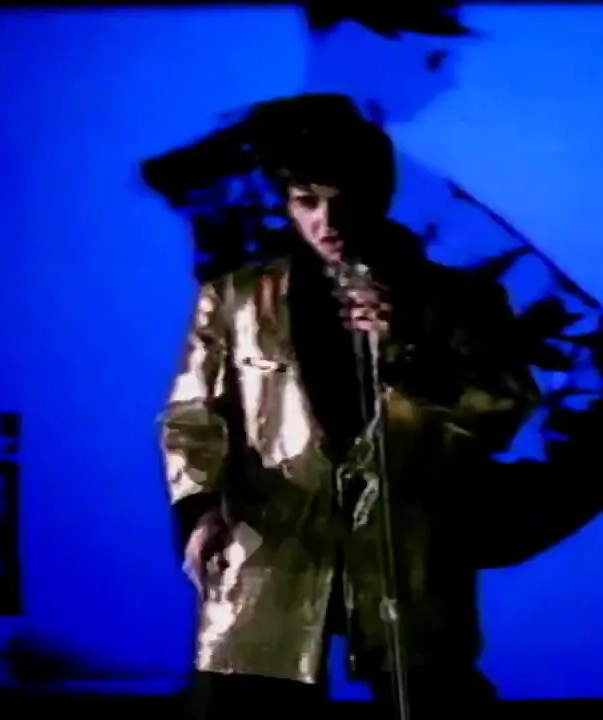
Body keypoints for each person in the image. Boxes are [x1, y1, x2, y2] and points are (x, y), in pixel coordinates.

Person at [159, 97, 540, 718]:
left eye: (343, 199)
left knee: (433, 698)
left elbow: (504, 409)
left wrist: (409, 351)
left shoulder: (461, 300)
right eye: (307, 201)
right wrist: (200, 508)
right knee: (243, 701)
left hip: (407, 554)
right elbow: (193, 416)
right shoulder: (236, 299)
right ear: (287, 203)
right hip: (272, 544)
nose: (326, 220)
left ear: (380, 196)